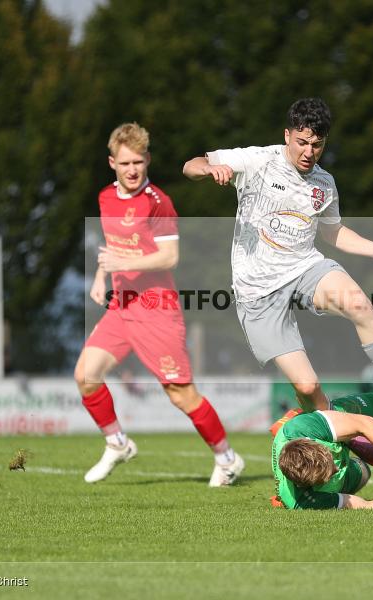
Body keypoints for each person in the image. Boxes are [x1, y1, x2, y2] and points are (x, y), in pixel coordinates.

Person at [183, 97, 373, 418]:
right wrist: (209, 168)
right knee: (308, 387)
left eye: (317, 145)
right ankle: (331, 432)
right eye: (302, 142)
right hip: (257, 290)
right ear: (287, 135)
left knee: (358, 304)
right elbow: (190, 165)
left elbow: (332, 232)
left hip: (304, 268)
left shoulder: (324, 183)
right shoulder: (257, 160)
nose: (309, 152)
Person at [75, 122, 244, 487]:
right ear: (112, 163)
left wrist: (122, 263)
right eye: (125, 163)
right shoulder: (105, 198)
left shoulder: (158, 203)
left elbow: (169, 257)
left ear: (147, 160)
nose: (132, 170)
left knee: (180, 395)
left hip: (156, 310)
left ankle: (227, 459)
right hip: (122, 308)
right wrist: (101, 277)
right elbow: (112, 246)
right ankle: (117, 443)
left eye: (138, 162)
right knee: (86, 376)